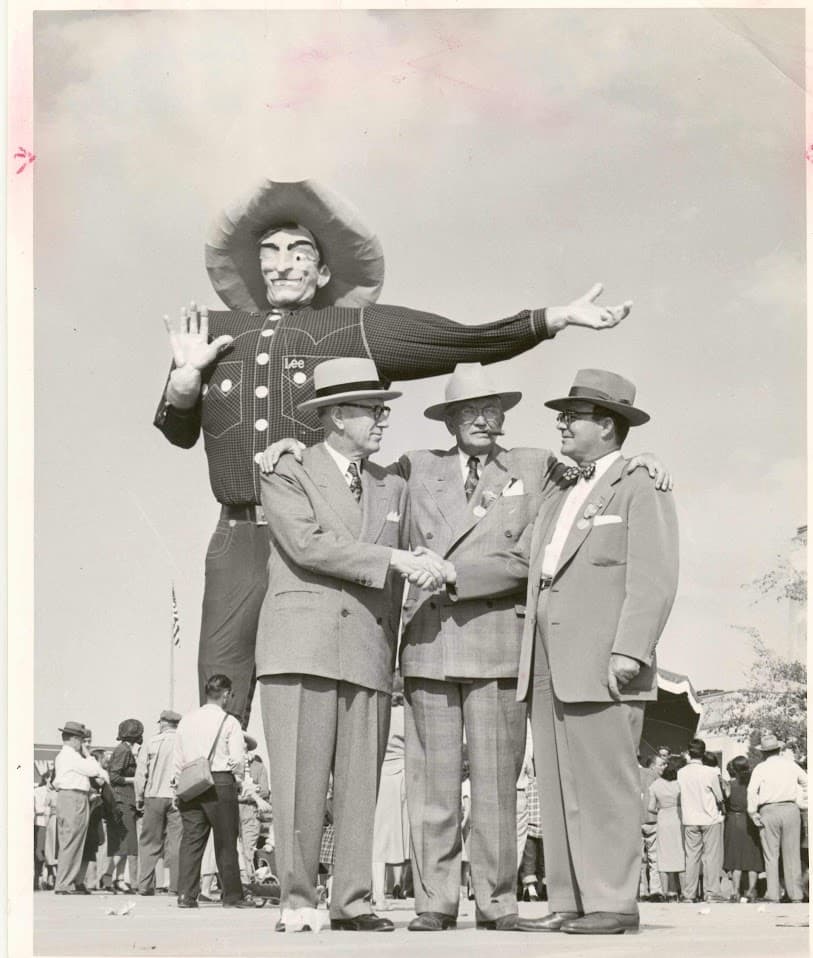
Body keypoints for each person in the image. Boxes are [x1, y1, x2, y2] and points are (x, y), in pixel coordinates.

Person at [154, 179, 634, 729]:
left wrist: (551, 319)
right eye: (269, 252)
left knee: (331, 677)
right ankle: (230, 807)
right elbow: (178, 431)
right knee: (220, 681)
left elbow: (462, 341)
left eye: (299, 252)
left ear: (324, 271)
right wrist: (185, 380)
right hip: (240, 533)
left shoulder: (355, 325)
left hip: (328, 534)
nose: (282, 265)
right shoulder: (211, 332)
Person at [450, 368, 679, 935]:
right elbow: (526, 564)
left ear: (607, 425)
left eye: (573, 416)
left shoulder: (638, 482)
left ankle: (613, 903)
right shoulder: (559, 486)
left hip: (606, 660)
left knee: (604, 784)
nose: (561, 423)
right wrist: (448, 574)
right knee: (555, 786)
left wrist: (631, 649)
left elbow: (654, 576)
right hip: (546, 657)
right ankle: (572, 902)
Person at [256, 357, 444, 933]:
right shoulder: (286, 469)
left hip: (367, 644)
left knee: (361, 782)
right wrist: (393, 559)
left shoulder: (394, 484)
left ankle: (353, 901)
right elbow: (308, 544)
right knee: (298, 780)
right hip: (301, 643)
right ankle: (297, 898)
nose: (384, 419)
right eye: (373, 409)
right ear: (337, 416)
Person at [173, 674, 250, 909]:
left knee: (191, 841)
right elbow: (237, 760)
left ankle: (186, 894)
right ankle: (232, 896)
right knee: (226, 841)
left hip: (191, 781)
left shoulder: (186, 720)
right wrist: (238, 778)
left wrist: (178, 785)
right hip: (220, 781)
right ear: (225, 694)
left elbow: (178, 759)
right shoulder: (229, 722)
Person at [747, 732, 807, 903]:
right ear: (779, 749)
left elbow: (752, 791)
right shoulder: (791, 765)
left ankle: (773, 894)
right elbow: (806, 781)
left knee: (771, 855)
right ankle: (796, 894)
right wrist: (803, 802)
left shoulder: (760, 768)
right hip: (791, 810)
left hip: (769, 810)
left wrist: (753, 813)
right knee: (792, 855)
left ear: (763, 752)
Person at [53, 721, 108, 894]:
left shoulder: (64, 755)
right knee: (72, 840)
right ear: (75, 739)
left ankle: (66, 882)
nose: (83, 744)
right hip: (74, 797)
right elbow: (94, 770)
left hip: (69, 797)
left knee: (70, 840)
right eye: (81, 740)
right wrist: (87, 753)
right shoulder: (71, 755)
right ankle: (64, 883)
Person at [135, 710, 183, 896]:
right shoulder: (183, 742)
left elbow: (141, 774)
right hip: (176, 797)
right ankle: (175, 887)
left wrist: (139, 797)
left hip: (154, 796)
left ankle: (145, 885)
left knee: (149, 842)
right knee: (176, 843)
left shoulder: (151, 742)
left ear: (162, 724)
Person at [371, 684, 410, 910]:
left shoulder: (381, 714)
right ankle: (384, 893)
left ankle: (379, 893)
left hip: (383, 775)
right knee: (393, 839)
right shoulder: (405, 716)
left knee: (380, 837)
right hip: (402, 776)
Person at [677, 738, 726, 902]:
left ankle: (689, 893)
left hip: (690, 818)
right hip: (709, 818)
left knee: (691, 857)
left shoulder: (681, 773)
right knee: (711, 856)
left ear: (689, 753)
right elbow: (719, 796)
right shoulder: (710, 772)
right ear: (703, 753)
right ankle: (712, 892)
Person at [101, 719, 143, 892]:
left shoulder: (123, 749)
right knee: (129, 844)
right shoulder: (124, 751)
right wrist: (136, 779)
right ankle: (120, 879)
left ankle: (114, 879)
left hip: (124, 800)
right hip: (123, 800)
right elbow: (115, 777)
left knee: (124, 843)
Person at [724, 756, 763, 902]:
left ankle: (735, 891)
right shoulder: (753, 785)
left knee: (736, 857)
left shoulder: (729, 785)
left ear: (733, 769)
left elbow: (725, 803)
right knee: (752, 856)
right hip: (750, 820)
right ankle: (751, 890)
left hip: (734, 820)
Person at [648, 756, 686, 901]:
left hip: (663, 819)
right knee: (681, 854)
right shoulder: (680, 784)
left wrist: (661, 810)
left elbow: (650, 807)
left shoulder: (656, 785)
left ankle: (665, 893)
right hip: (679, 817)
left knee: (663, 855)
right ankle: (683, 892)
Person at [237, 734, 272, 885]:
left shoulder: (258, 766)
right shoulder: (230, 764)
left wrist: (245, 796)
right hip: (232, 810)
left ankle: (249, 883)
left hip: (251, 811)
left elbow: (264, 791)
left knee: (248, 848)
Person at [639, 755, 666, 901]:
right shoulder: (657, 778)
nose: (664, 767)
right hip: (653, 819)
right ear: (652, 765)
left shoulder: (634, 774)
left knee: (638, 858)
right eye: (661, 764)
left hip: (636, 819)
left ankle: (640, 890)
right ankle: (656, 890)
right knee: (654, 857)